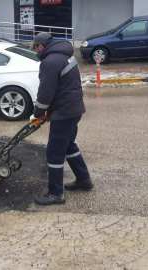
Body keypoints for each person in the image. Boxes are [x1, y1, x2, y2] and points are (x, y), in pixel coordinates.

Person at [30, 32, 94, 205]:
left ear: (40, 47)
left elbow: (46, 92)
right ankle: (84, 180)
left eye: (35, 47)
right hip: (74, 109)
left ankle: (55, 194)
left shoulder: (50, 62)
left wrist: (37, 113)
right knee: (68, 145)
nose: (36, 51)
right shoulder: (65, 55)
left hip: (64, 112)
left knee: (54, 152)